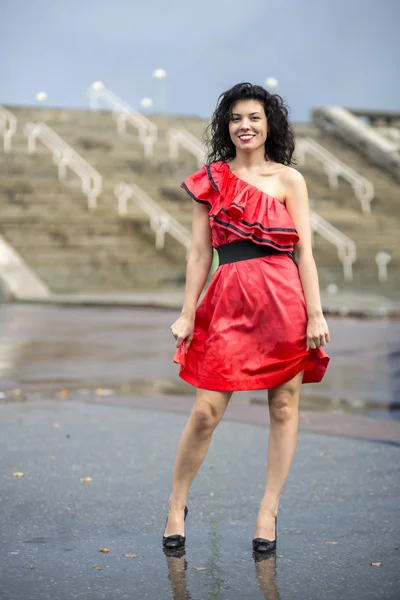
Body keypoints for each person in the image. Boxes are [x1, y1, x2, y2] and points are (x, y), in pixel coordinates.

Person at [162, 82, 330, 553]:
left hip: (284, 303)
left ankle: (268, 510)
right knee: (204, 412)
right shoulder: (210, 180)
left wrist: (315, 314)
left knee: (283, 407)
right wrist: (187, 313)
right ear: (226, 126)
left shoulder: (289, 180)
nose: (245, 126)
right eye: (237, 118)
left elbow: (305, 254)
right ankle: (177, 504)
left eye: (254, 117)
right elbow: (199, 255)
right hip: (228, 300)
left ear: (269, 123)